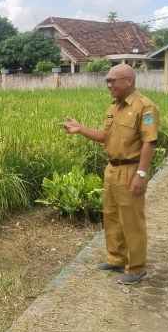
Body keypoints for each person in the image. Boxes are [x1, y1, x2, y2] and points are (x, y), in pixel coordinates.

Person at [63, 64, 159, 285]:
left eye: (112, 80)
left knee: (132, 220)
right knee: (111, 216)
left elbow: (149, 143)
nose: (109, 85)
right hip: (112, 169)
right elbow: (104, 137)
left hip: (131, 169)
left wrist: (141, 174)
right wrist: (81, 129)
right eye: (107, 80)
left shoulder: (145, 107)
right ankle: (116, 259)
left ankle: (136, 267)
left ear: (128, 81)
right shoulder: (113, 108)